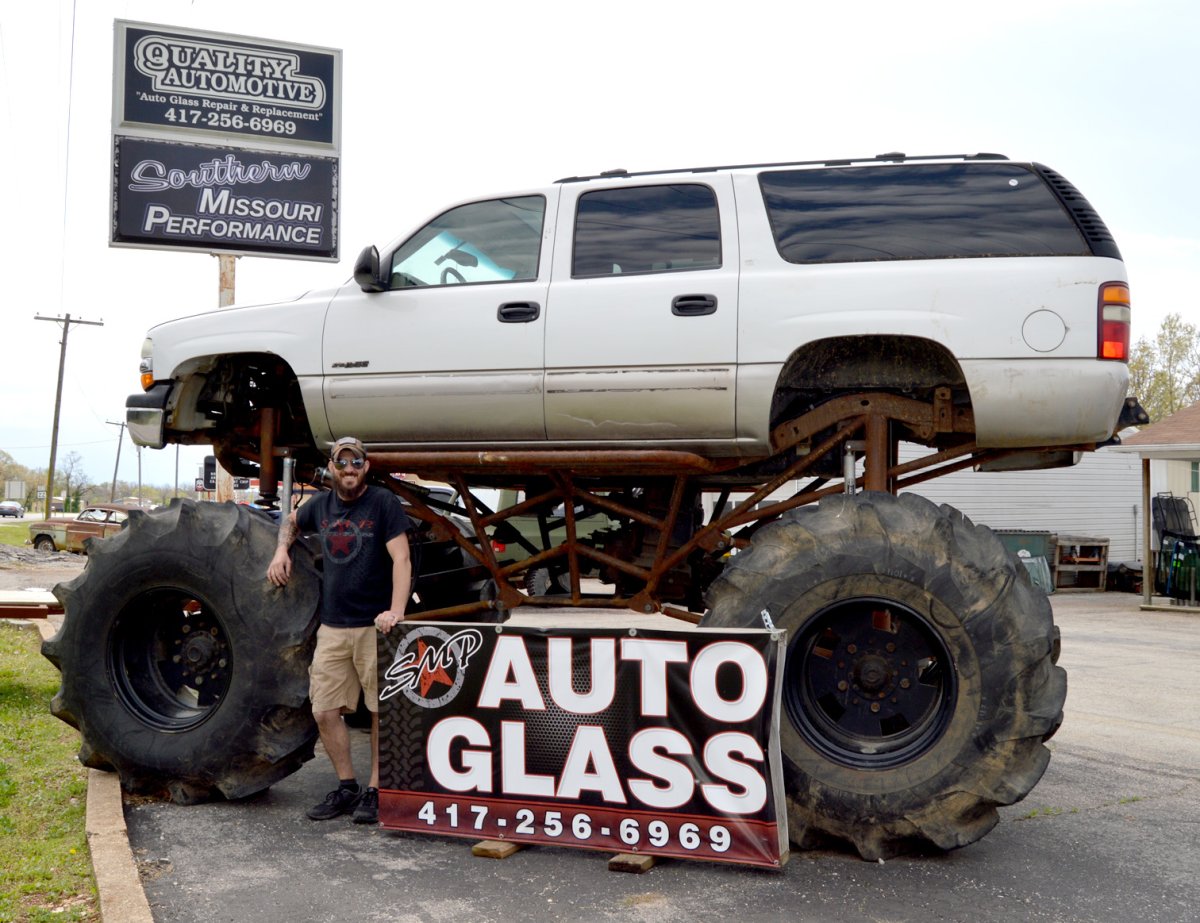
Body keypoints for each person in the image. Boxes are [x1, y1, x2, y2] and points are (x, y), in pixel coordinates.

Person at [267, 436, 412, 825]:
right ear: (331, 467)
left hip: (373, 627)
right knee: (325, 709)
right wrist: (281, 550)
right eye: (342, 462)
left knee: (381, 710)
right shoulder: (320, 505)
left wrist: (395, 611)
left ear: (366, 466)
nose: (349, 469)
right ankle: (347, 786)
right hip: (333, 627)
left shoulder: (382, 503)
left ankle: (376, 790)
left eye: (356, 462)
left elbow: (401, 558)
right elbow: (291, 523)